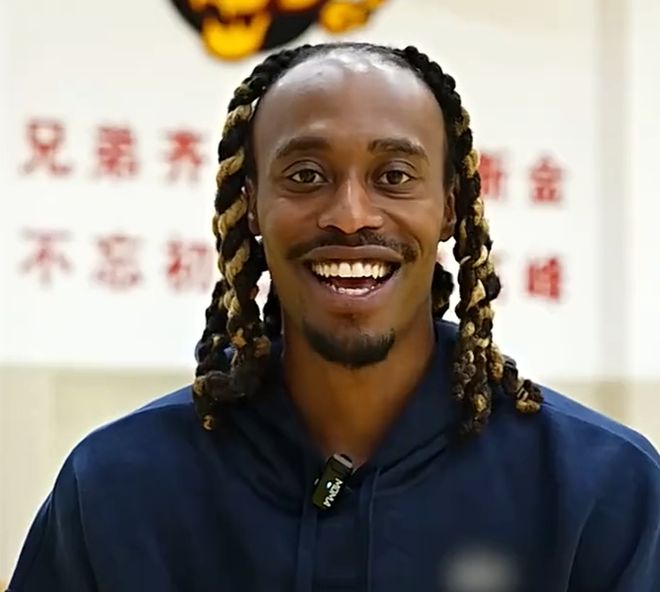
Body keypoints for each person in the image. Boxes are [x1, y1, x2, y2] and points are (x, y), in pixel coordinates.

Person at [7, 42, 660, 592]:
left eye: (394, 175)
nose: (351, 215)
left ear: (450, 207)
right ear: (250, 205)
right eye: (306, 175)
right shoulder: (117, 488)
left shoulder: (602, 490)